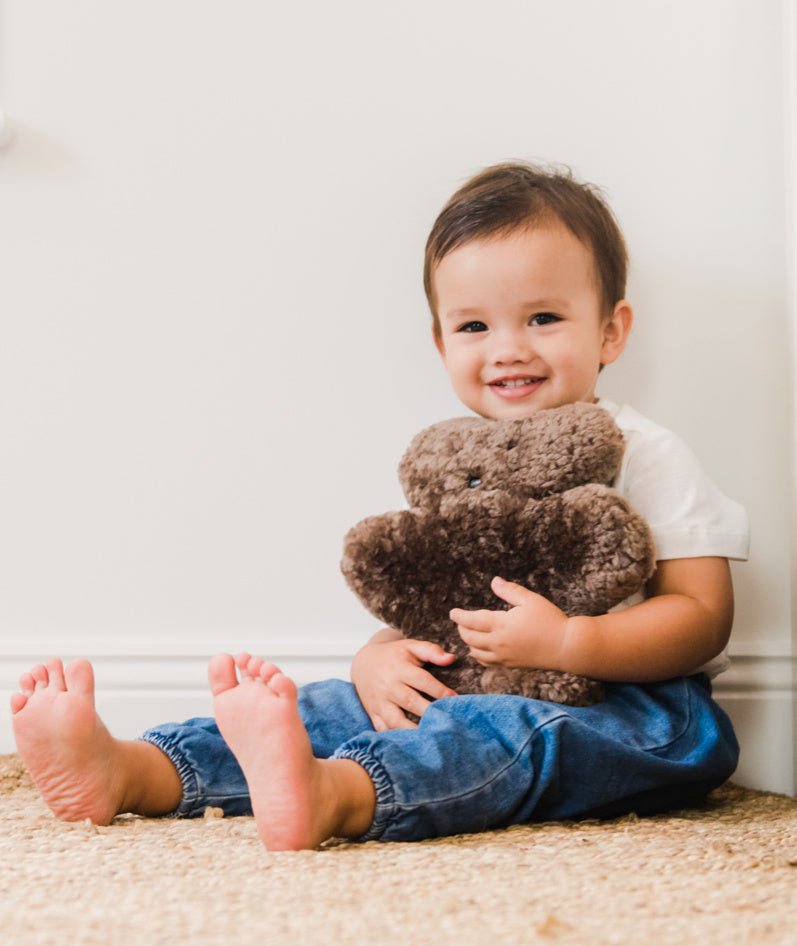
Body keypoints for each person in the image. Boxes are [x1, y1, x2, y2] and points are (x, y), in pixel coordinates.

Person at [10, 162, 749, 850]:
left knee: (498, 735)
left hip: (625, 706)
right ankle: (134, 770)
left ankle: (338, 793)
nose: (507, 349)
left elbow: (701, 615)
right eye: (473, 326)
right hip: (465, 678)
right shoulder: (454, 466)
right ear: (439, 341)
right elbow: (431, 604)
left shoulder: (642, 451)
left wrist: (566, 646)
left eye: (543, 318)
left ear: (610, 331)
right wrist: (378, 658)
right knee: (333, 708)